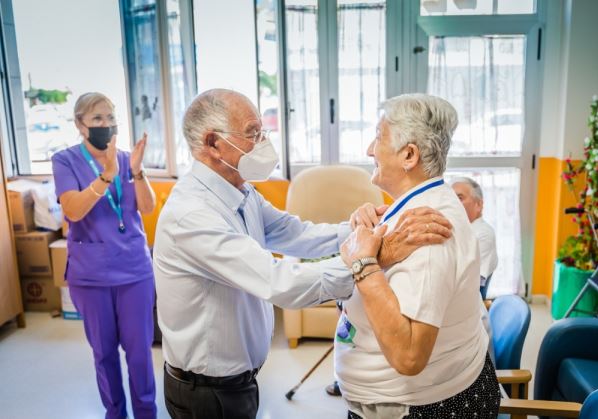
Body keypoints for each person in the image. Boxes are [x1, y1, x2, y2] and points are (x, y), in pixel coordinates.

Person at [152, 89, 453, 419]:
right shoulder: (192, 215)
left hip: (238, 381)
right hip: (206, 392)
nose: (264, 143)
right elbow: (280, 283)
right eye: (253, 133)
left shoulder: (238, 189)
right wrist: (371, 258)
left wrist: (363, 231)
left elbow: (293, 232)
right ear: (213, 143)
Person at [335, 93, 501, 419]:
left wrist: (364, 264)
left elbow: (410, 356)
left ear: (409, 155)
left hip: (426, 408)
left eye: (378, 138)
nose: (370, 149)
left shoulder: (428, 233)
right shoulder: (417, 208)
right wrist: (371, 229)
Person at [52, 92, 157, 419]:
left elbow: (148, 207)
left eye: (111, 118)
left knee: (140, 353)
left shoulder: (127, 159)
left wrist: (137, 172)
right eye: (97, 119)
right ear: (79, 125)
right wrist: (106, 175)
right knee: (104, 353)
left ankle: (146, 413)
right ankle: (115, 413)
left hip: (135, 270)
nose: (106, 125)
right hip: (92, 275)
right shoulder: (65, 160)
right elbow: (73, 210)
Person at [452, 177, 498, 297]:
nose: (453, 203)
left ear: (478, 204)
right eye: (451, 198)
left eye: (460, 198)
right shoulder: (456, 230)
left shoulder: (484, 234)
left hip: (466, 304)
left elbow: (472, 282)